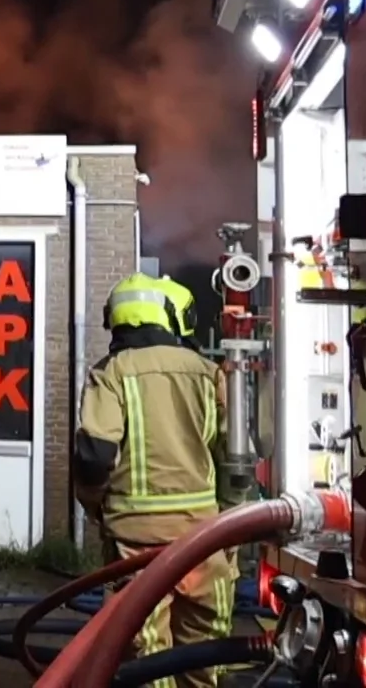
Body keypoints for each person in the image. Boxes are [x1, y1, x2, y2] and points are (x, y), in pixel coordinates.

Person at [72, 272, 235, 688]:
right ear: (170, 318)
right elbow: (235, 459)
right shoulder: (207, 372)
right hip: (204, 538)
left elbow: (94, 457)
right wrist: (233, 525)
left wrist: (97, 509)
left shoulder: (109, 373)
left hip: (135, 543)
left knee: (146, 656)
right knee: (207, 652)